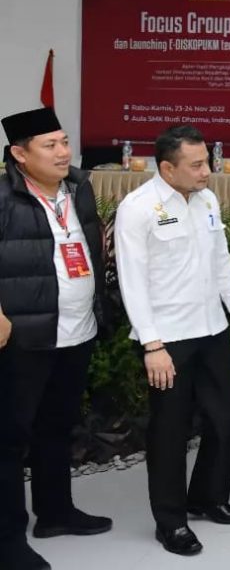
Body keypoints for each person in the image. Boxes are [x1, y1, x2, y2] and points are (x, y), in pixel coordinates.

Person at [114, 126, 230, 556]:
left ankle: (208, 498)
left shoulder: (207, 200)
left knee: (224, 416)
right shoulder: (138, 209)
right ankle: (171, 521)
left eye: (207, 162)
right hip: (167, 339)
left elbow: (220, 263)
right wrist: (152, 346)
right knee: (170, 431)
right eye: (196, 165)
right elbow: (131, 282)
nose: (206, 171)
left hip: (211, 328)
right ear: (167, 168)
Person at [0, 108, 113, 570]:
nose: (63, 152)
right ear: (19, 154)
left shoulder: (78, 188)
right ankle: (6, 539)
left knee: (56, 427)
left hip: (76, 330)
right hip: (24, 336)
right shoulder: (4, 197)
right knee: (9, 438)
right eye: (50, 145)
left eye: (65, 141)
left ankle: (55, 512)